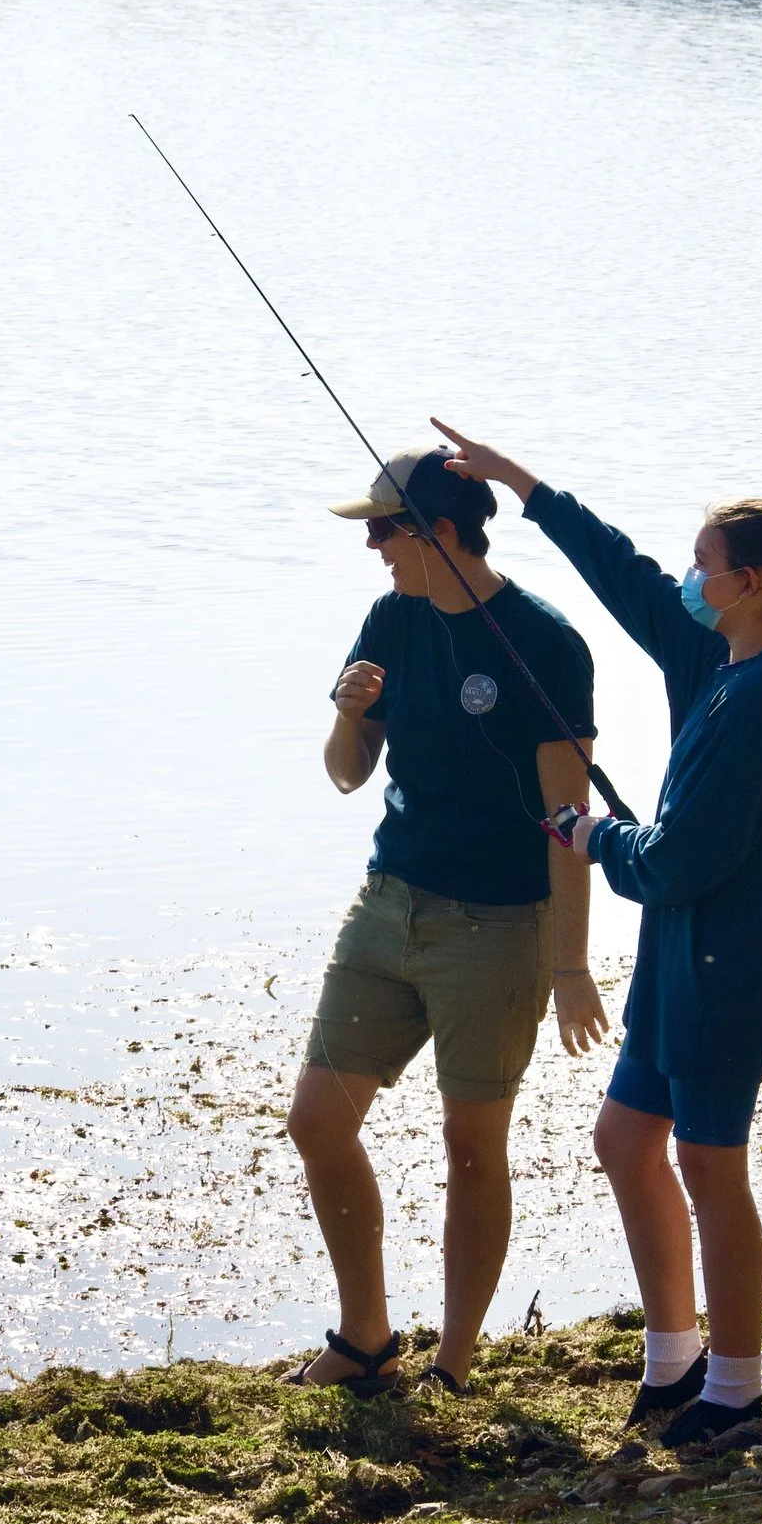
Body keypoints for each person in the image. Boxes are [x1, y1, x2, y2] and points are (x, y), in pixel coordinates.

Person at [431, 416, 762, 1446]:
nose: (688, 576)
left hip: (730, 964)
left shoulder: (761, 698)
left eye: (702, 563)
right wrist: (523, 486)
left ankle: (737, 1392)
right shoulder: (714, 652)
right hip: (682, 951)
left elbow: (680, 858)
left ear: (748, 581)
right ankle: (675, 1364)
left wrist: (592, 836)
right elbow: (623, 574)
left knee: (711, 1168)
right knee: (625, 1140)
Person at [286, 446, 610, 1398]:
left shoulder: (545, 642)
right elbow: (348, 774)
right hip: (389, 903)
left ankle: (455, 1361)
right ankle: (366, 1337)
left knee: (472, 1145)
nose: (374, 548)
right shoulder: (391, 617)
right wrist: (349, 716)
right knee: (317, 1121)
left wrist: (571, 966)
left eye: (385, 529)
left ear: (438, 530)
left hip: (499, 926)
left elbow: (568, 819)